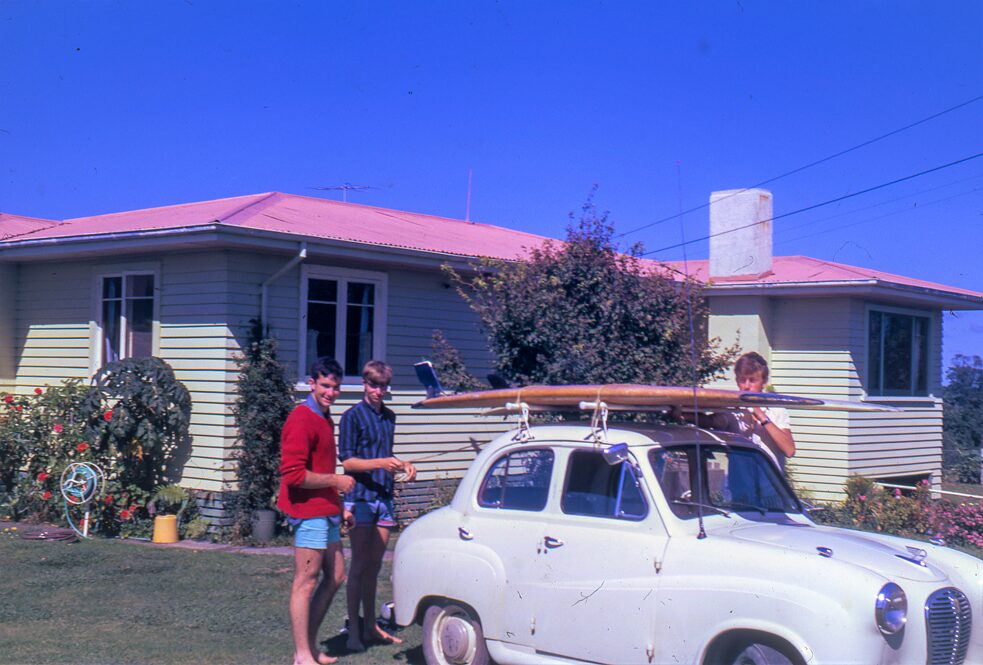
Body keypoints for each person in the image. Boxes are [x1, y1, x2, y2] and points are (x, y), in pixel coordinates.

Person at [278, 357, 356, 665]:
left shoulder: (324, 418)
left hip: (327, 509)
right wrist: (336, 480)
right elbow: (293, 475)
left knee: (335, 575)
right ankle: (301, 655)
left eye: (336, 387)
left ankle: (309, 647)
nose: (331, 392)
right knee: (306, 580)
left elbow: (319, 468)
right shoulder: (301, 418)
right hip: (307, 510)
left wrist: (340, 505)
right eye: (325, 385)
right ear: (312, 383)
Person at [339, 360, 417, 652]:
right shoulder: (352, 417)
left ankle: (371, 627)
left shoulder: (389, 417)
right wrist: (381, 463)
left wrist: (404, 465)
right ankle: (354, 631)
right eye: (374, 385)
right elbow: (348, 462)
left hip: (384, 499)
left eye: (383, 386)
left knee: (374, 567)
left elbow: (387, 457)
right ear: (364, 383)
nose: (379, 391)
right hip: (360, 499)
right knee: (359, 566)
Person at [723, 351, 796, 470]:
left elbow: (790, 450)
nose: (746, 386)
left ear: (764, 382)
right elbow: (714, 424)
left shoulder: (776, 409)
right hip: (736, 487)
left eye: (752, 380)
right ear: (737, 381)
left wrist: (762, 417)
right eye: (742, 380)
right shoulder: (731, 409)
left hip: (769, 487)